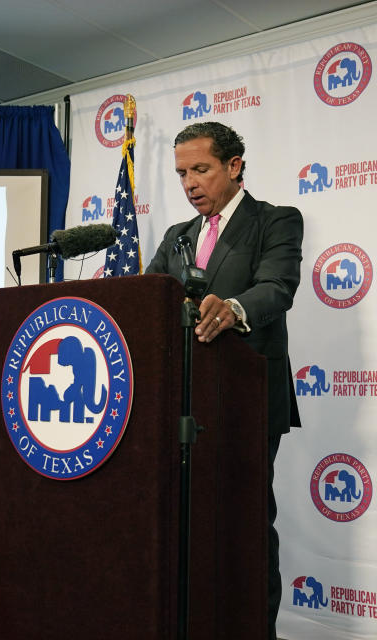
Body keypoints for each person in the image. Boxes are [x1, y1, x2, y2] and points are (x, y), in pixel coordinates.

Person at [145, 121, 303, 640]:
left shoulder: (276, 221)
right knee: (187, 528)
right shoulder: (176, 238)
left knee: (246, 529)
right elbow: (147, 306)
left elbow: (277, 288)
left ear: (234, 167)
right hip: (183, 408)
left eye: (201, 170)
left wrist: (233, 309)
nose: (190, 184)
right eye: (182, 173)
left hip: (247, 403)